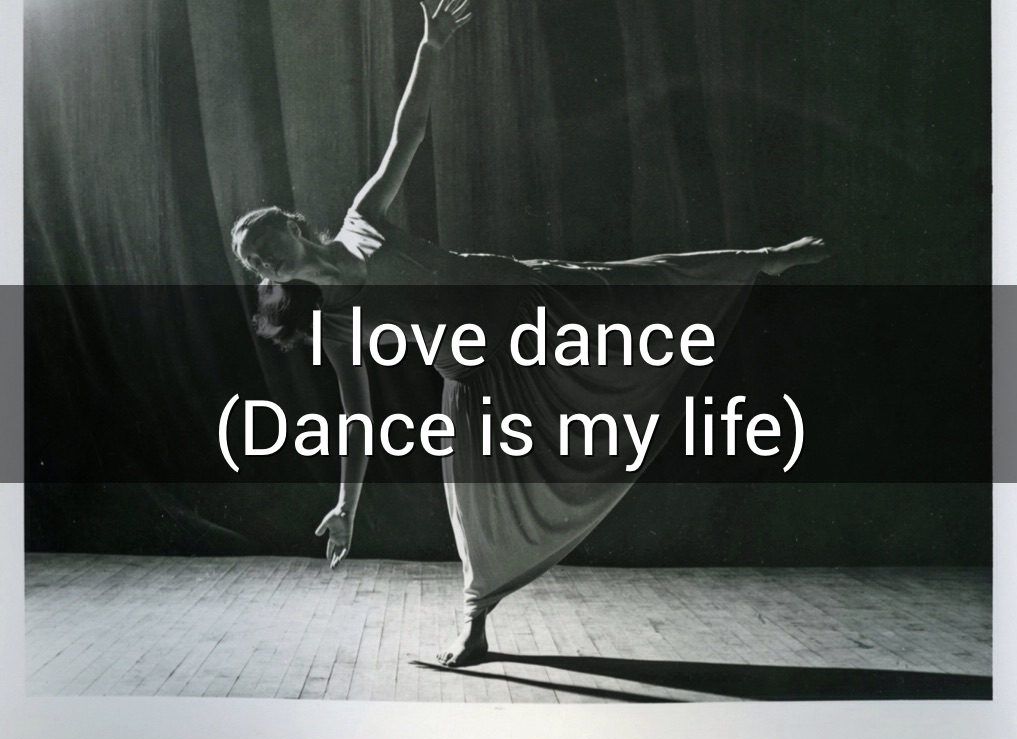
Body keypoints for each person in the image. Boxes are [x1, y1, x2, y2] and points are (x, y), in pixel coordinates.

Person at [231, 0, 826, 667]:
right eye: (255, 264)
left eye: (265, 243)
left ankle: (757, 260)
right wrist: (346, 507)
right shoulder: (337, 324)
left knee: (629, 285)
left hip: (517, 299)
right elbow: (357, 421)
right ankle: (475, 628)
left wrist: (430, 47)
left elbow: (409, 135)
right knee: (476, 507)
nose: (264, 261)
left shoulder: (363, 219)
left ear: (291, 224)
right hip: (475, 375)